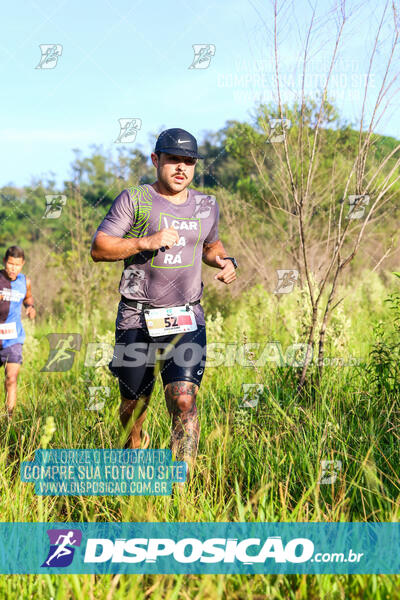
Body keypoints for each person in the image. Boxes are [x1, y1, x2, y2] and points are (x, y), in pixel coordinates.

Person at [90, 127, 238, 474]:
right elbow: (100, 248)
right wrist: (146, 241)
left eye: (189, 162)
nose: (181, 168)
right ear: (156, 160)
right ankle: (134, 467)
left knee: (183, 397)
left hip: (186, 316)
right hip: (137, 317)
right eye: (173, 160)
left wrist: (223, 260)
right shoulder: (135, 200)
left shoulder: (206, 205)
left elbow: (210, 245)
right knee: (133, 405)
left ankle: (180, 483)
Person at [0, 246, 36, 418]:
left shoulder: (25, 281)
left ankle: (9, 419)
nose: (13, 268)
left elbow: (28, 297)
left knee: (11, 379)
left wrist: (30, 307)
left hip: (13, 339)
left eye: (17, 265)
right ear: (4, 262)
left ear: (23, 264)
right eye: (10, 264)